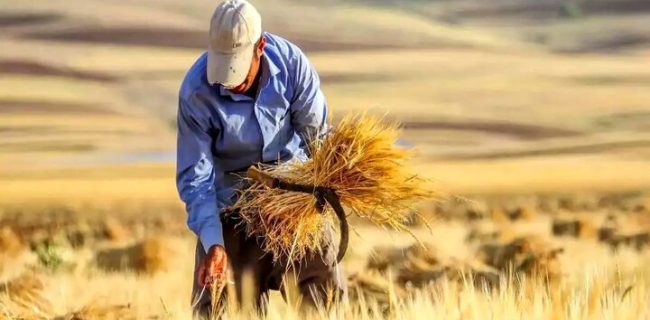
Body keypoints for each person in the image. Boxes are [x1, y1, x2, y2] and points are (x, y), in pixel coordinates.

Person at [175, 0, 346, 317]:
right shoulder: (195, 92)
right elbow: (196, 180)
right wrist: (214, 244)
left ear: (260, 47)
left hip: (293, 203)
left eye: (237, 67)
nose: (229, 79)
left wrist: (329, 188)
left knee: (327, 300)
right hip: (232, 207)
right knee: (214, 303)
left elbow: (317, 140)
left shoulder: (293, 66)